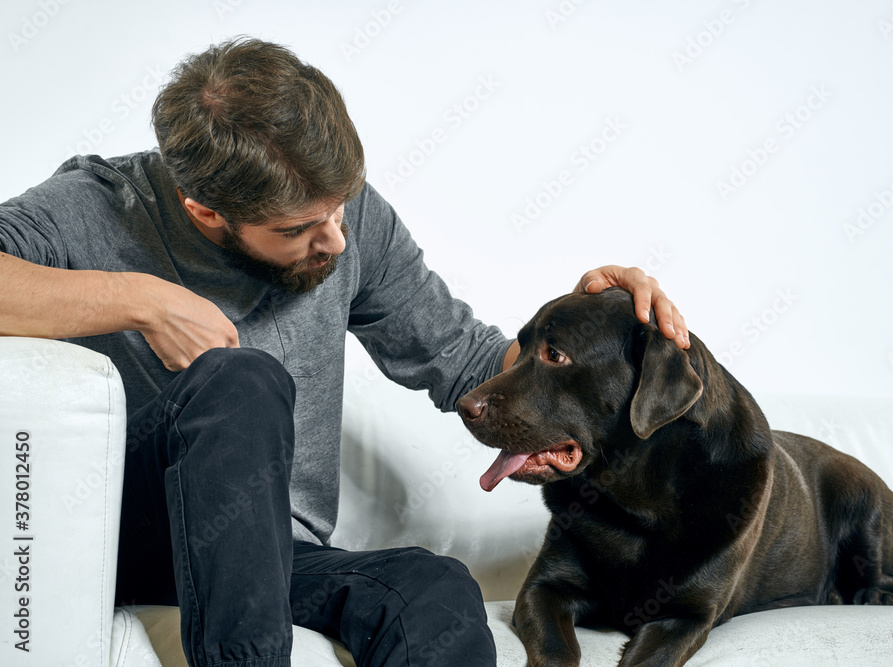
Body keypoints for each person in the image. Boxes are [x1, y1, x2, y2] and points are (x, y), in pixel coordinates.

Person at [0, 37, 688, 667]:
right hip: (122, 540)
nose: (335, 240)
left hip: (278, 557)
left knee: (434, 590)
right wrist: (141, 300)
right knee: (240, 382)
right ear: (206, 210)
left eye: (341, 207)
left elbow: (467, 360)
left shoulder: (350, 227)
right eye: (300, 227)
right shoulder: (96, 207)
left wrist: (581, 335)